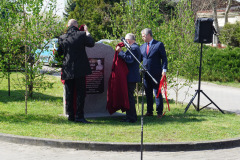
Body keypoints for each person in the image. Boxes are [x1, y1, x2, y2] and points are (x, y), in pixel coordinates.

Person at [57, 19, 95, 123]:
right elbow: (91, 43)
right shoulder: (82, 34)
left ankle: (70, 115)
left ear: (68, 26)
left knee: (69, 93)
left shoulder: (62, 37)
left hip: (67, 68)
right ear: (76, 25)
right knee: (80, 93)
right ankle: (79, 116)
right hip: (80, 69)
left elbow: (59, 53)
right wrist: (87, 32)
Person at [140, 28, 168, 118]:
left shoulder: (158, 45)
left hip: (156, 73)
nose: (142, 38)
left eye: (143, 36)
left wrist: (164, 70)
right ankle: (149, 111)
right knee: (148, 92)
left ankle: (159, 112)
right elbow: (139, 58)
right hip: (145, 74)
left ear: (148, 35)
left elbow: (164, 58)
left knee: (157, 92)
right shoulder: (142, 46)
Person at [115, 33, 141, 123]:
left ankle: (131, 118)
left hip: (131, 77)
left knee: (129, 97)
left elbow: (129, 59)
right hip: (131, 76)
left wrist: (120, 52)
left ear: (128, 40)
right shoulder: (134, 47)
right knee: (129, 97)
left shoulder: (133, 48)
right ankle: (130, 116)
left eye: (125, 41)